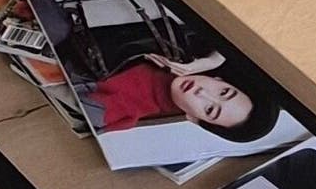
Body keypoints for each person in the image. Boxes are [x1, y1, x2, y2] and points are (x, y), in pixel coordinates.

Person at [90, 50, 282, 145]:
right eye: (224, 91)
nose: (202, 93)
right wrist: (213, 59)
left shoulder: (120, 109)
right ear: (220, 79)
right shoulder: (190, 50)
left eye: (210, 110)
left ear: (194, 119)